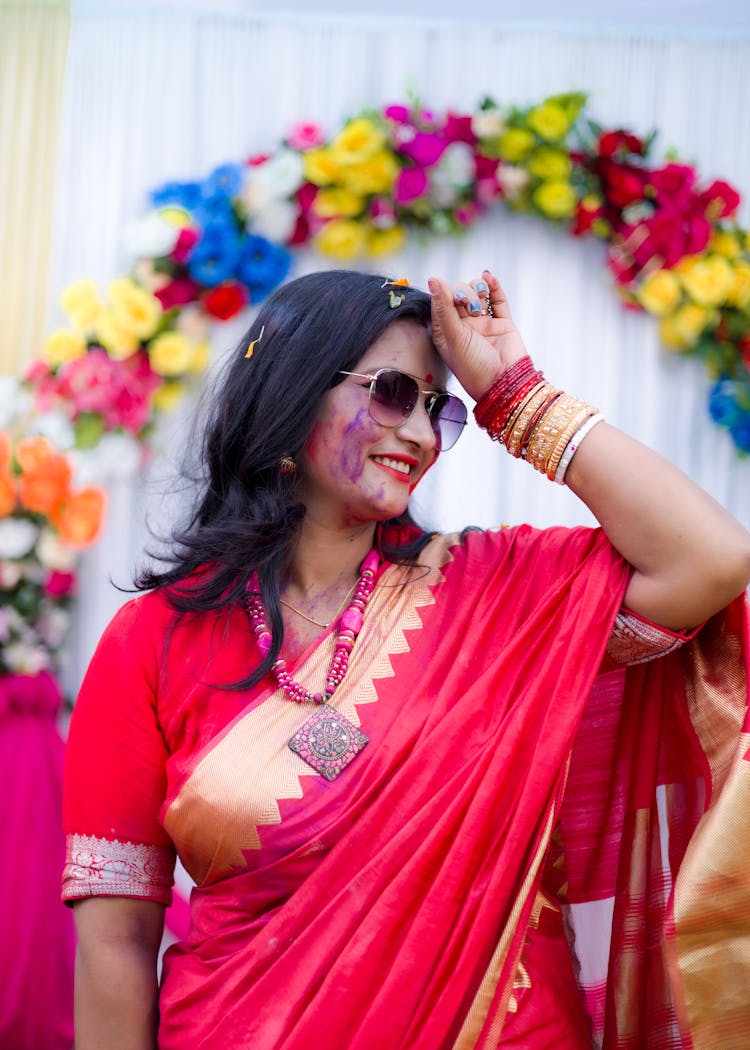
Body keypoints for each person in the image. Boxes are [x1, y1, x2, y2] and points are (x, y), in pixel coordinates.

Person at [62, 268, 750, 1050]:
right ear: (289, 391)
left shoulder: (497, 595)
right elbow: (115, 939)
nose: (422, 436)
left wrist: (516, 399)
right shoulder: (154, 638)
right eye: (392, 392)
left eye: (438, 409)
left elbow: (712, 559)